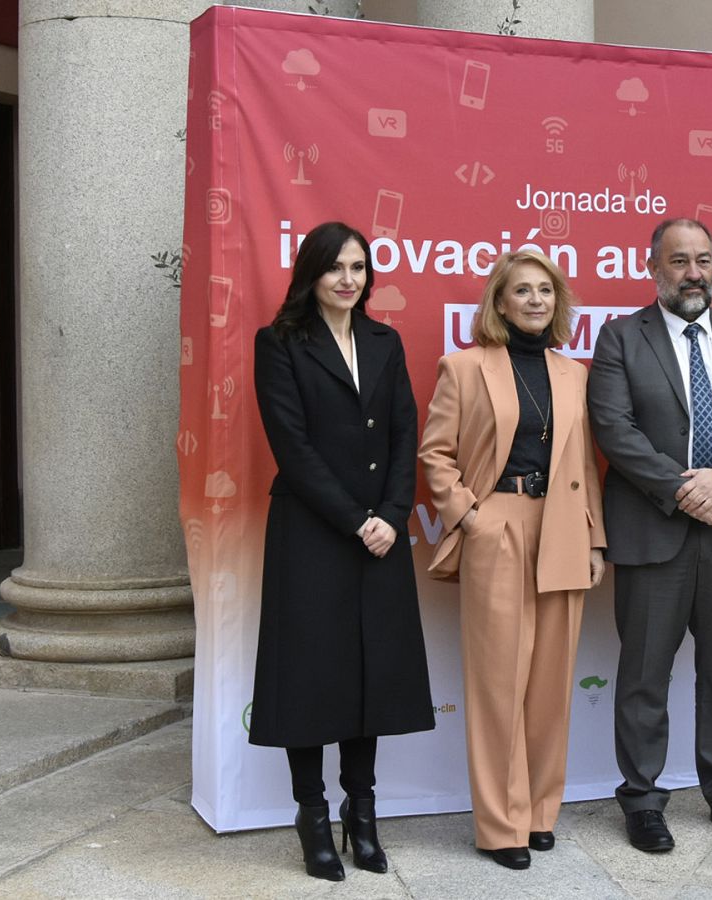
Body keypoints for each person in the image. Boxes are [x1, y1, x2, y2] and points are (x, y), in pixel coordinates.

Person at [587, 218, 712, 852]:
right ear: (653, 268)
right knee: (645, 675)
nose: (694, 272)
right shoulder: (621, 337)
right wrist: (684, 489)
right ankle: (644, 801)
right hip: (656, 530)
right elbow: (614, 428)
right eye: (679, 261)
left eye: (704, 259)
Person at [250, 220, 435, 881]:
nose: (349, 279)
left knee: (370, 675)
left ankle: (363, 815)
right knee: (309, 678)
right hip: (312, 532)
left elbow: (404, 432)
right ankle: (312, 816)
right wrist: (358, 520)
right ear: (311, 273)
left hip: (379, 536)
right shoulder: (279, 343)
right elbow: (291, 447)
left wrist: (390, 515)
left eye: (359, 267)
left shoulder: (384, 341)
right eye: (336, 268)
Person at [419, 250, 606, 870]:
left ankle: (539, 813)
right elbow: (436, 454)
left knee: (551, 682)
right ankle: (501, 826)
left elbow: (583, 468)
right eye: (521, 291)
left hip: (564, 528)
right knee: (500, 682)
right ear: (498, 303)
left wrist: (595, 539)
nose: (534, 301)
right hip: (497, 521)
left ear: (558, 303)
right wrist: (470, 516)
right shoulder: (465, 367)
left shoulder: (575, 373)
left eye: (545, 292)